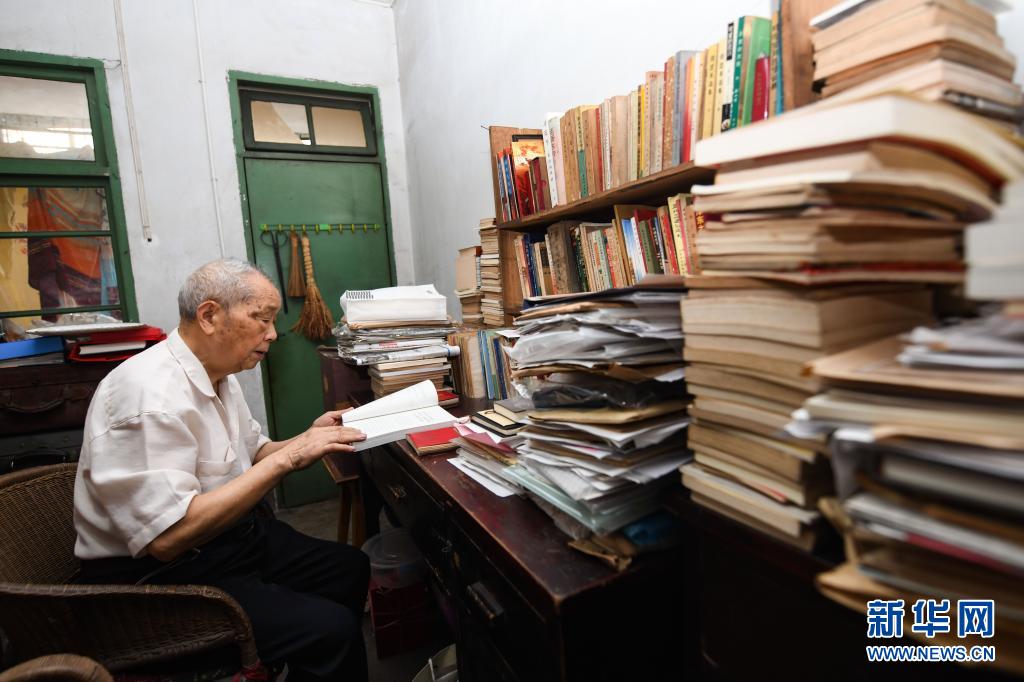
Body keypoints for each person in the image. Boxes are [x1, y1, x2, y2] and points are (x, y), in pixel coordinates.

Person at [73, 257, 370, 681]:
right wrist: (288, 458)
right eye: (262, 319)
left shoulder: (218, 375)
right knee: (331, 631)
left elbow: (255, 452)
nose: (273, 333)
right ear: (210, 316)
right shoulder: (148, 396)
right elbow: (168, 538)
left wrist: (307, 438)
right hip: (161, 578)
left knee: (349, 567)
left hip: (226, 539)